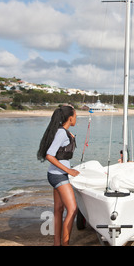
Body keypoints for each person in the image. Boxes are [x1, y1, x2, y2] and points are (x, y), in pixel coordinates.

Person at [37, 105, 79, 246]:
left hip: (55, 174)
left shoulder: (63, 132)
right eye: (75, 116)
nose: (76, 118)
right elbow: (50, 155)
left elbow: (61, 154)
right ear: (70, 118)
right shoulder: (61, 133)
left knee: (59, 209)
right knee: (72, 209)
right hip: (59, 176)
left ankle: (57, 243)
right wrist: (70, 171)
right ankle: (65, 244)